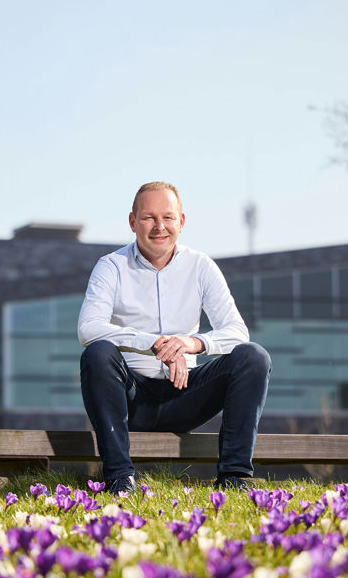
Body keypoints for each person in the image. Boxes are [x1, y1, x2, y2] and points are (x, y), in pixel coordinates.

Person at [77, 181, 272, 494]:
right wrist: (154, 343)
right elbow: (88, 327)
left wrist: (189, 343)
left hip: (186, 394)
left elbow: (237, 332)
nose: (159, 227)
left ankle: (234, 477)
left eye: (167, 218)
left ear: (181, 222)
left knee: (253, 357)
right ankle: (119, 479)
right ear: (132, 222)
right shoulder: (111, 266)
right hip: (131, 398)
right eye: (148, 218)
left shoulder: (201, 266)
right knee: (98, 353)